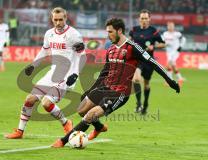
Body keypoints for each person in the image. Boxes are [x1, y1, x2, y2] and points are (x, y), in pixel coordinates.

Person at [52, 18, 180, 148]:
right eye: (107, 32)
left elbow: (153, 62)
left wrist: (169, 80)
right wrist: (91, 90)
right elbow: (104, 72)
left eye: (111, 32)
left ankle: (63, 141)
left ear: (119, 31)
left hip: (120, 92)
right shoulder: (111, 49)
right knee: (81, 110)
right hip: (105, 86)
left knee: (90, 115)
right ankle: (99, 127)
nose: (108, 35)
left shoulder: (133, 48)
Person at [5, 7, 86, 139]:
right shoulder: (49, 33)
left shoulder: (74, 35)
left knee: (46, 103)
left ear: (66, 18)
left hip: (67, 76)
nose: (58, 22)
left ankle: (66, 123)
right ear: (52, 19)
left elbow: (82, 55)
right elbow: (44, 50)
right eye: (55, 20)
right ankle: (20, 131)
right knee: (29, 100)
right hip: (52, 73)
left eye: (61, 19)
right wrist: (33, 64)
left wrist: (75, 74)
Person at [129, 9, 166, 115]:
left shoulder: (153, 31)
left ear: (149, 19)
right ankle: (139, 104)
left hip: (149, 61)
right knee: (136, 79)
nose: (144, 20)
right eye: (142, 18)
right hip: (137, 60)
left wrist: (153, 46)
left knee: (146, 84)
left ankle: (145, 104)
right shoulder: (134, 30)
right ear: (139, 19)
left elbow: (163, 44)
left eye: (146, 18)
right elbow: (130, 41)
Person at [162, 21, 186, 86]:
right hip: (168, 52)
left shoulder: (177, 34)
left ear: (174, 27)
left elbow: (183, 39)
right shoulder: (165, 34)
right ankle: (180, 78)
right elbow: (163, 42)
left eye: (171, 26)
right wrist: (163, 45)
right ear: (167, 27)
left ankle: (169, 80)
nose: (170, 27)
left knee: (169, 63)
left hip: (175, 51)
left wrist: (180, 46)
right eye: (169, 26)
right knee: (173, 65)